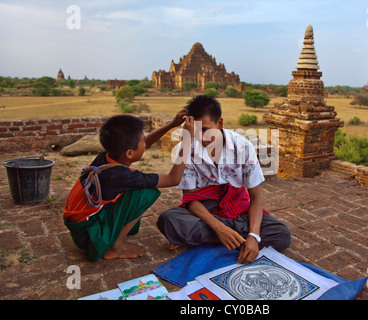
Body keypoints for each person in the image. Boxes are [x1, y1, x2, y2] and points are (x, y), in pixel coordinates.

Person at [157, 95, 291, 264]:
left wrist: (254, 236)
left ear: (219, 123)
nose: (200, 137)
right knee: (168, 219)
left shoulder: (242, 147)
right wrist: (219, 228)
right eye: (194, 131)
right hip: (206, 207)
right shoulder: (185, 149)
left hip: (238, 206)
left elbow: (256, 198)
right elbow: (190, 200)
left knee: (281, 234)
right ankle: (231, 236)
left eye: (205, 129)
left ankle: (225, 237)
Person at [63, 111, 194, 261]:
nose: (146, 144)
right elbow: (173, 179)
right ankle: (114, 248)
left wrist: (171, 124)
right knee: (146, 193)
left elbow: (145, 142)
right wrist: (188, 139)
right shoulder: (122, 177)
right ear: (130, 153)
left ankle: (112, 237)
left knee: (136, 191)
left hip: (80, 227)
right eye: (142, 142)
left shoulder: (107, 157)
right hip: (88, 235)